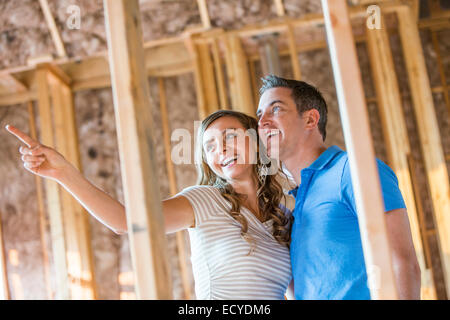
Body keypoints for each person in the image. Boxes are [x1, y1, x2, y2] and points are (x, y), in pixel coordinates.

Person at [6, 109, 293, 300]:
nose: (222, 150)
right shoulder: (204, 199)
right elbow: (124, 222)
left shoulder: (282, 216)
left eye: (230, 137)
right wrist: (63, 172)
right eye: (210, 147)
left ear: (256, 143)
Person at [256, 74, 421, 300]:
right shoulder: (294, 202)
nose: (262, 122)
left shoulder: (354, 170)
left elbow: (402, 261)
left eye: (275, 109)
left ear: (310, 120)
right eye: (259, 114)